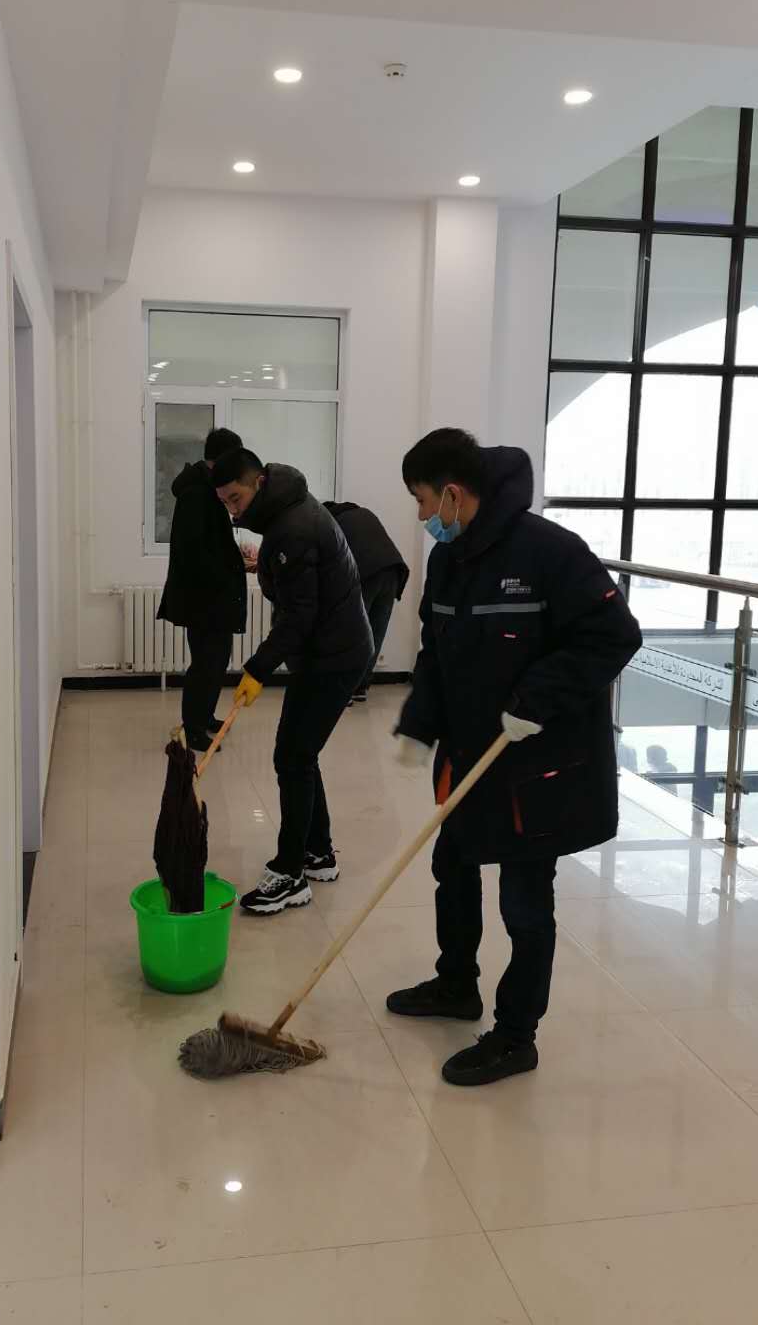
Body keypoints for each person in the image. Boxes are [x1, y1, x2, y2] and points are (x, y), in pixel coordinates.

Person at [390, 428, 641, 1086]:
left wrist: (536, 697)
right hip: (470, 756)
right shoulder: (447, 561)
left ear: (452, 493)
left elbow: (615, 635)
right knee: (452, 865)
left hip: (535, 766)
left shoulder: (550, 552)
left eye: (422, 501)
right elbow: (436, 652)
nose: (422, 516)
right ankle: (456, 983)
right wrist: (419, 724)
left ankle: (515, 1036)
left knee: (525, 902)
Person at [212, 449, 373, 913]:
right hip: (327, 650)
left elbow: (299, 615)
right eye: (225, 502)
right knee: (301, 754)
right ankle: (317, 852)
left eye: (236, 498)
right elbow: (298, 591)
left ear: (259, 482)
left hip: (334, 657)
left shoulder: (293, 527)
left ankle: (290, 874)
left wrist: (257, 668)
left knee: (292, 756)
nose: (233, 511)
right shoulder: (286, 511)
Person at [157, 427, 247, 751]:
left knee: (216, 660)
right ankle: (193, 729)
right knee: (206, 664)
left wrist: (234, 560)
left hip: (211, 595)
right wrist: (228, 568)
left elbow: (211, 543)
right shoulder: (197, 493)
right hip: (204, 598)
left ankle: (205, 716)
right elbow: (195, 551)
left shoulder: (207, 488)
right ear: (222, 460)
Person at [323, 500, 409, 704]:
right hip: (393, 571)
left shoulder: (331, 523)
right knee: (375, 634)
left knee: (351, 634)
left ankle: (344, 690)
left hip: (366, 573)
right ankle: (360, 687)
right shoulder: (363, 513)